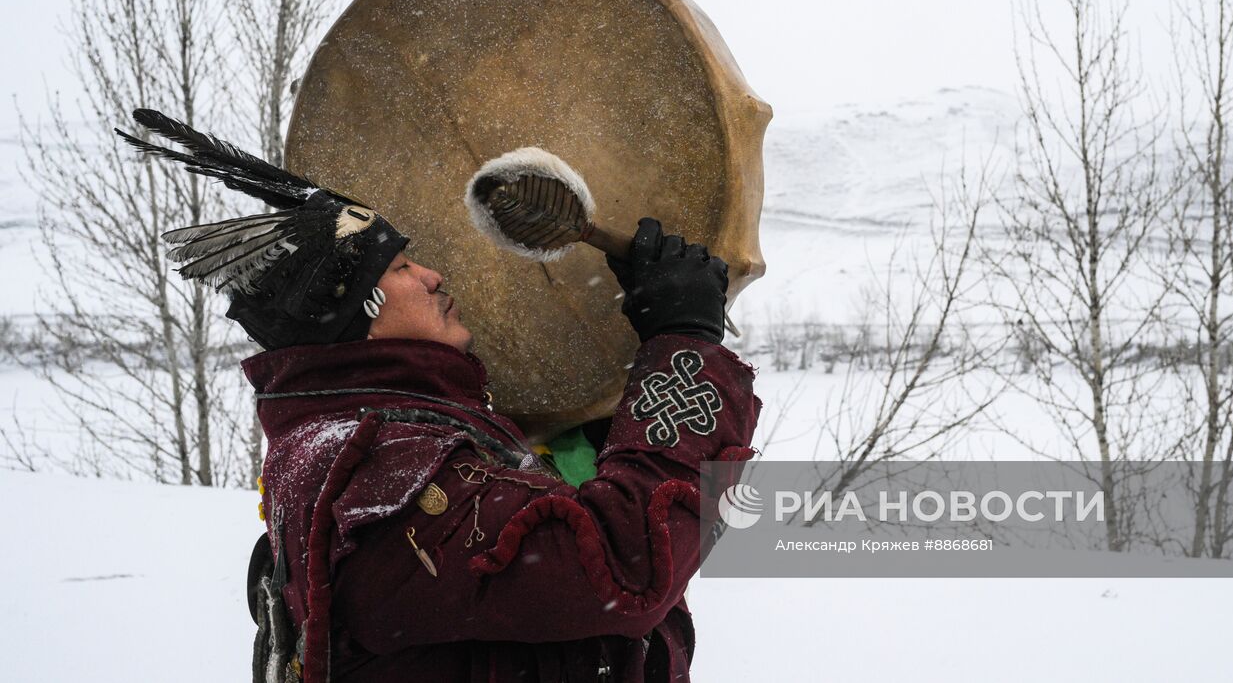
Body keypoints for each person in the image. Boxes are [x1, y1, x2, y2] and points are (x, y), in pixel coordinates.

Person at [117, 109, 760, 683]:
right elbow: (623, 568)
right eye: (399, 267)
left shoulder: (385, 434)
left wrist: (605, 435)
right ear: (356, 316)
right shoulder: (372, 467)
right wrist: (685, 342)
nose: (433, 274)